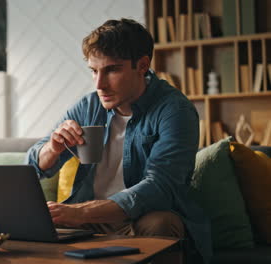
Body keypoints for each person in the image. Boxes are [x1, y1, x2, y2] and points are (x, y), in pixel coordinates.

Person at [26, 18, 211, 264]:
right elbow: (32, 166)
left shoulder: (174, 110)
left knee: (160, 223)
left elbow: (160, 187)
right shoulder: (88, 106)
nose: (99, 84)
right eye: (94, 71)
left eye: (111, 70)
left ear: (142, 65)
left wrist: (79, 212)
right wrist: (53, 147)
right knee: (24, 230)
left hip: (139, 218)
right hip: (91, 220)